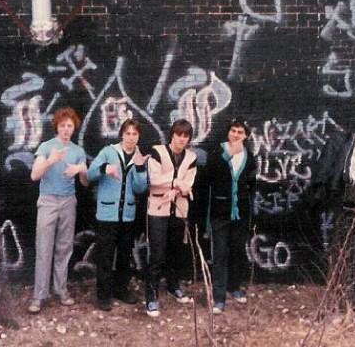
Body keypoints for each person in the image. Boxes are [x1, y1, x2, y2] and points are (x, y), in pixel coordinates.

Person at [27, 107, 88, 314]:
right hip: (48, 201)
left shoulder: (78, 151)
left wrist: (81, 169)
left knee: (64, 248)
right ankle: (39, 296)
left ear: (74, 128)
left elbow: (85, 182)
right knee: (44, 248)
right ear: (57, 126)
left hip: (68, 201)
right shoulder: (46, 147)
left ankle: (61, 290)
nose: (66, 129)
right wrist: (51, 160)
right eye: (62, 126)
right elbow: (34, 175)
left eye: (69, 126)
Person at [87, 119, 148, 311]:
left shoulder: (139, 157)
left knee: (124, 255)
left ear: (138, 137)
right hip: (107, 214)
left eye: (135, 134)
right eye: (128, 133)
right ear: (122, 134)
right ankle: (103, 295)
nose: (131, 138)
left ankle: (121, 289)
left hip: (128, 215)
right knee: (105, 256)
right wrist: (105, 169)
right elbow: (89, 174)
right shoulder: (108, 152)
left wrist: (139, 168)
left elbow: (140, 188)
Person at [145, 119, 197, 317]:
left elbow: (189, 183)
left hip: (179, 208)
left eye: (185, 136)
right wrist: (175, 182)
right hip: (158, 209)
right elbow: (154, 179)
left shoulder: (191, 157)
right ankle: (151, 296)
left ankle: (173, 285)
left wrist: (176, 190)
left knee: (176, 251)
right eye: (178, 135)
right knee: (157, 254)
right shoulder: (157, 152)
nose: (181, 139)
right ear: (172, 135)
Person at [206, 118, 256, 314]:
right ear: (228, 132)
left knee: (237, 250)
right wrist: (228, 156)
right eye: (233, 130)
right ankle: (218, 298)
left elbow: (251, 184)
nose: (236, 134)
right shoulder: (217, 152)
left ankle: (233, 287)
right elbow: (210, 173)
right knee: (219, 253)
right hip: (219, 212)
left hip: (240, 213)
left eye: (240, 132)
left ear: (245, 136)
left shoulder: (249, 157)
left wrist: (248, 207)